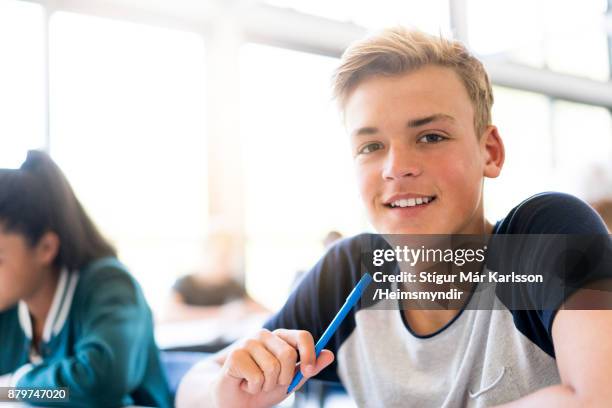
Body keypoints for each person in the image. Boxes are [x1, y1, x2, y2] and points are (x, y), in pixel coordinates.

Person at [176, 27, 612, 407]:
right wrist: (226, 391)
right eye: (370, 146)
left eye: (430, 136)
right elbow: (197, 382)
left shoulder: (544, 236)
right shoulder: (351, 273)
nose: (396, 167)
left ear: (490, 151)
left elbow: (600, 397)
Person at [0, 151, 172, 407]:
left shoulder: (110, 286)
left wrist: (18, 386)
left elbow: (97, 383)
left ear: (46, 247)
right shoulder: (11, 307)